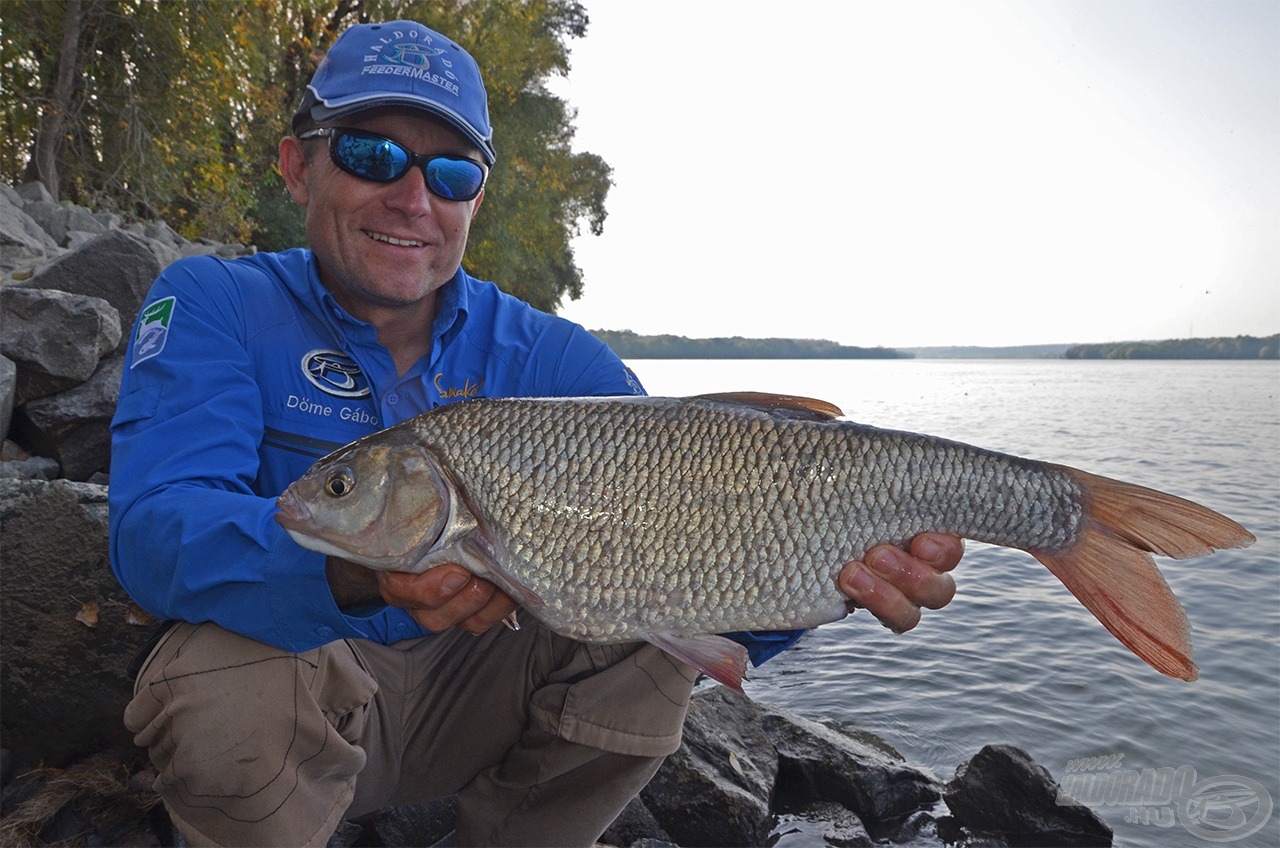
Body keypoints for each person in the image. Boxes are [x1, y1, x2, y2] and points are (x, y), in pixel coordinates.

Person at [108, 19, 963, 847]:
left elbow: (705, 541)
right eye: (372, 155)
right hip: (305, 688)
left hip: (479, 701)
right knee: (215, 685)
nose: (412, 199)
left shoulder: (560, 360)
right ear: (298, 167)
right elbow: (153, 534)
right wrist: (351, 572)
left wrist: (834, 577)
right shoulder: (216, 301)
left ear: (477, 196)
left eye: (450, 173)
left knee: (644, 620)